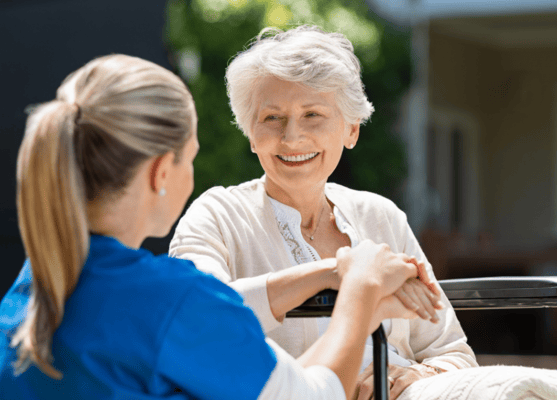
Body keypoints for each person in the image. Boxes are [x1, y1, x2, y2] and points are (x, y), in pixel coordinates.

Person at [0, 54, 436, 399]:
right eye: (192, 155)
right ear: (161, 172)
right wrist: (360, 290)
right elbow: (312, 396)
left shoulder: (32, 287)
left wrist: (338, 279)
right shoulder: (172, 300)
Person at [168, 25, 476, 400]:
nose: (292, 137)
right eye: (272, 118)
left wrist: (411, 377)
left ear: (351, 130)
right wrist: (337, 273)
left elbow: (452, 352)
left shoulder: (381, 216)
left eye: (312, 114)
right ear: (251, 134)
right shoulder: (216, 216)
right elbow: (198, 320)